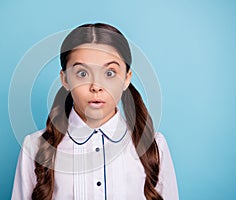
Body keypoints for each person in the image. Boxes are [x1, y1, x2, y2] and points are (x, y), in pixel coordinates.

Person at [11, 23, 179, 200]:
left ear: (126, 79)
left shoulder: (154, 146)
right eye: (82, 73)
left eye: (109, 73)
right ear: (65, 79)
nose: (96, 87)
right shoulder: (34, 147)